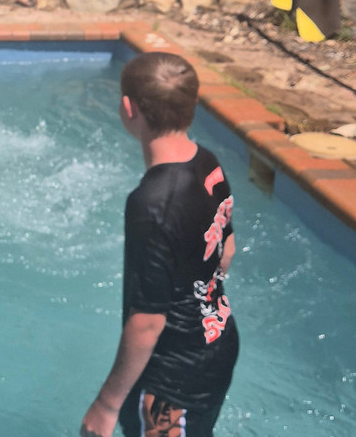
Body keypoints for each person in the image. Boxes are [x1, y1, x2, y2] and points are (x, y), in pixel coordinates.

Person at [81, 52, 238, 437]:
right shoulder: (208, 163)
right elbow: (226, 251)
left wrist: (106, 404)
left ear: (128, 108)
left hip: (171, 379)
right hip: (217, 341)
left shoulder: (151, 204)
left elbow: (148, 321)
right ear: (192, 105)